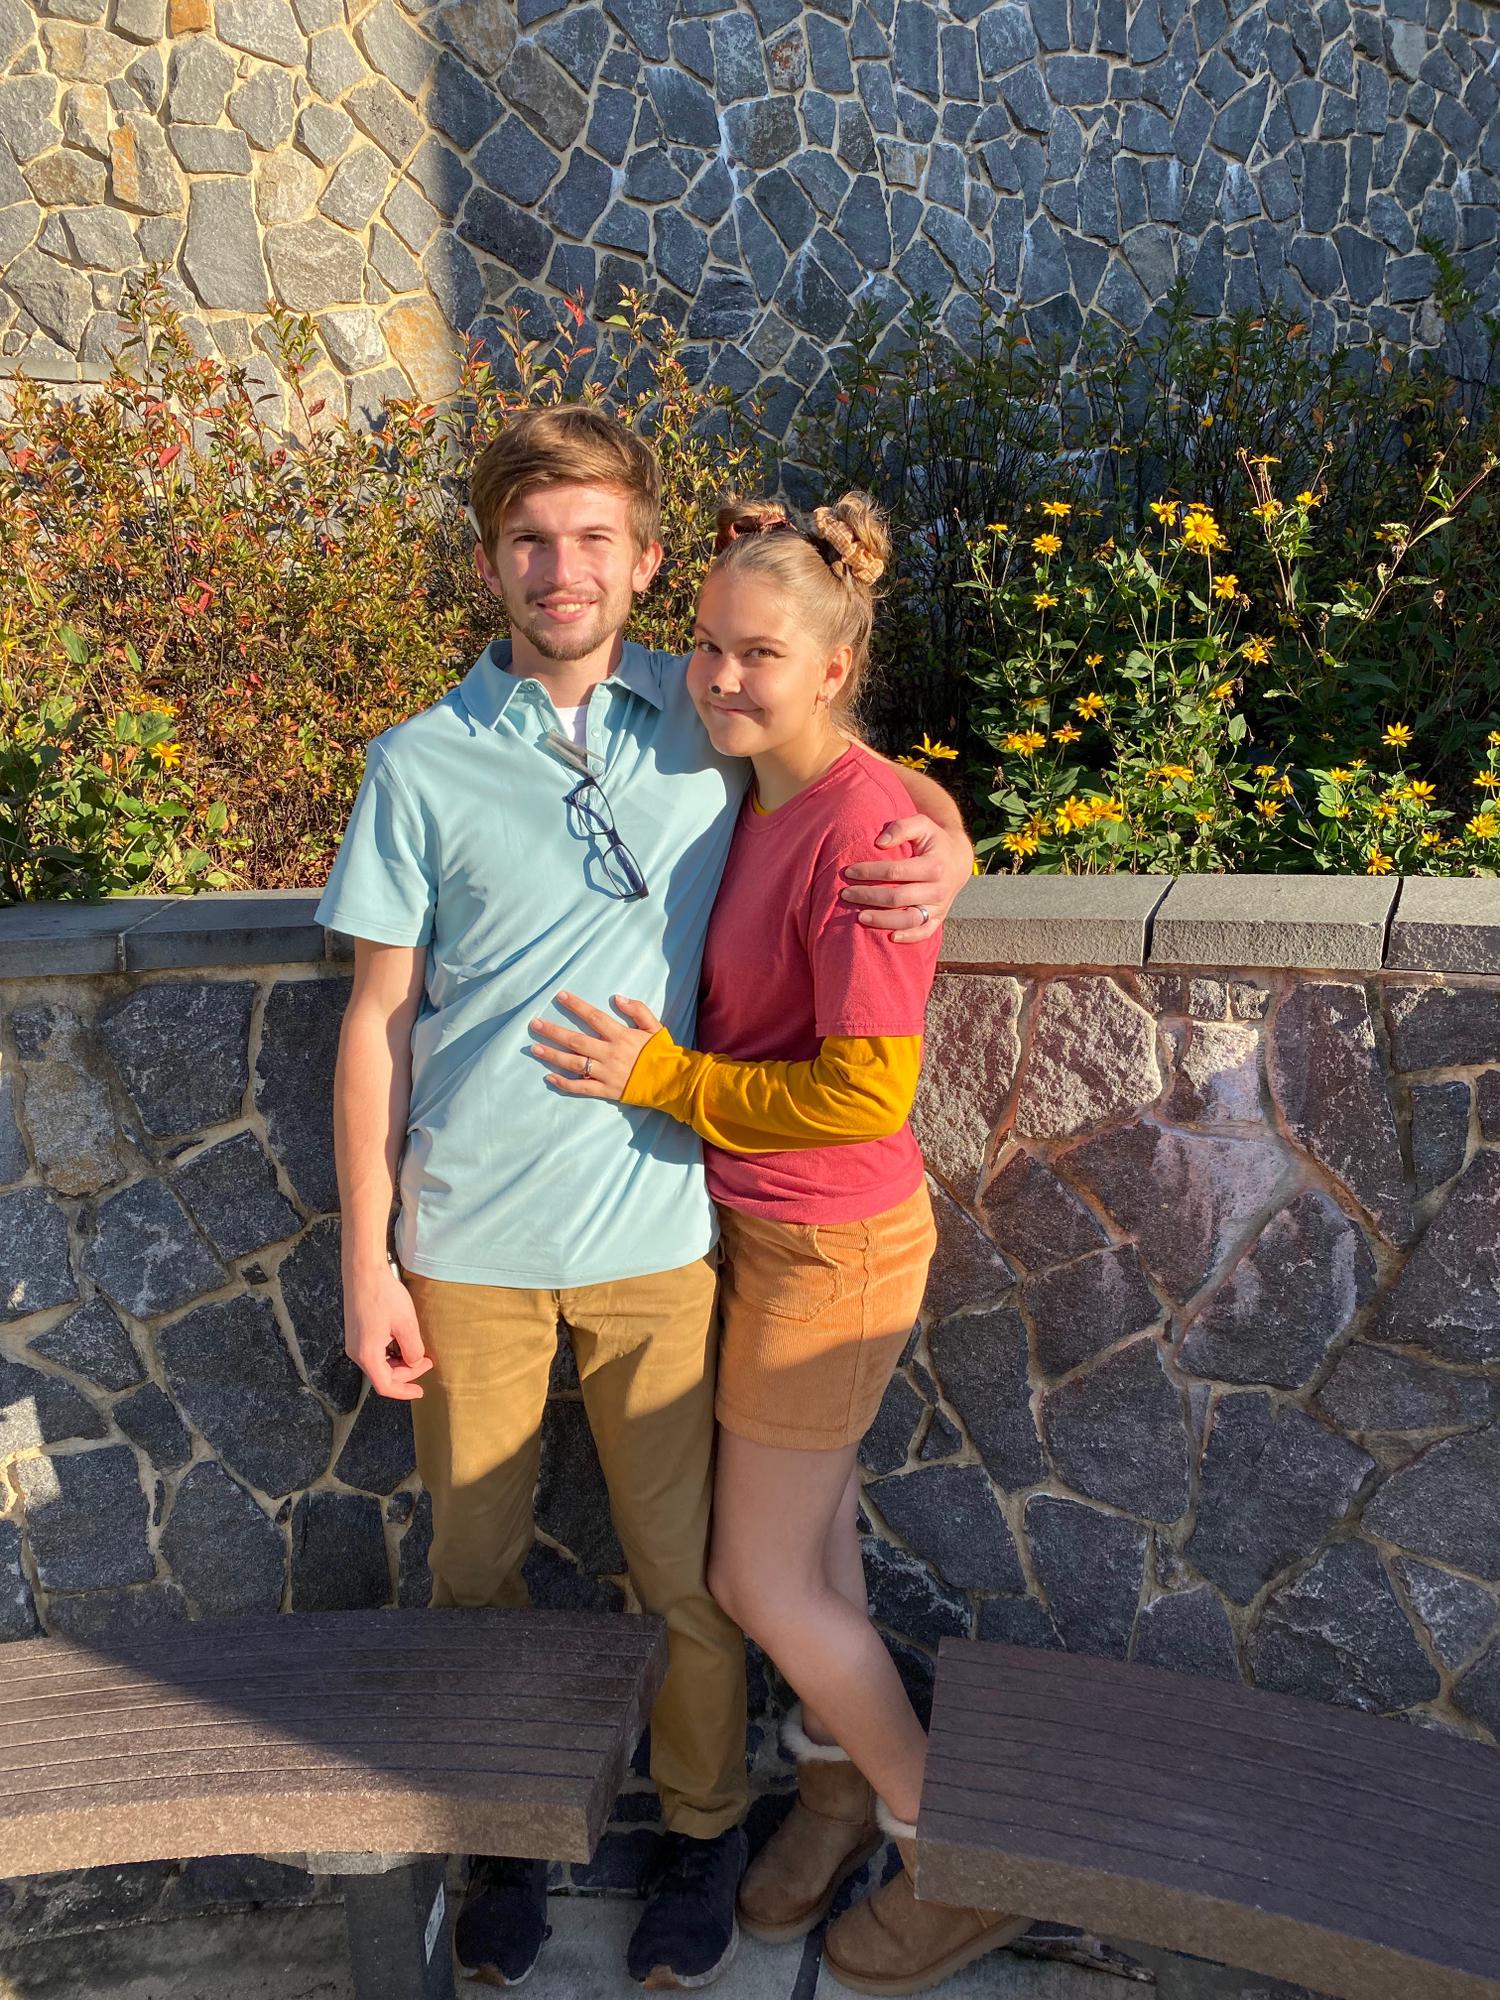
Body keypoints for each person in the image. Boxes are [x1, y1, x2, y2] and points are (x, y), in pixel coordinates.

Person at [315, 407, 976, 1992]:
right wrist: (368, 1259)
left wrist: (949, 840)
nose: (564, 568)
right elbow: (377, 1019)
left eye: (596, 538)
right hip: (467, 1247)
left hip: (666, 1238)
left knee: (693, 1580)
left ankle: (703, 1833)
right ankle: (505, 1843)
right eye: (532, 539)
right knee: (476, 1574)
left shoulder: (697, 718)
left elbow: (852, 769)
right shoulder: (416, 762)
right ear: (490, 560)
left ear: (646, 559)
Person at [531, 492, 1031, 1996]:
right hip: (760, 1231)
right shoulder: (755, 784)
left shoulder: (868, 841)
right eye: (707, 646)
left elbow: (865, 1091)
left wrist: (664, 1080)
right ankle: (834, 1798)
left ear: (833, 667)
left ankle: (958, 1854)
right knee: (815, 1553)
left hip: (832, 1247)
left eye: (759, 655)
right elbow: (882, 778)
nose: (721, 677)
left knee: (758, 1582)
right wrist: (953, 814)